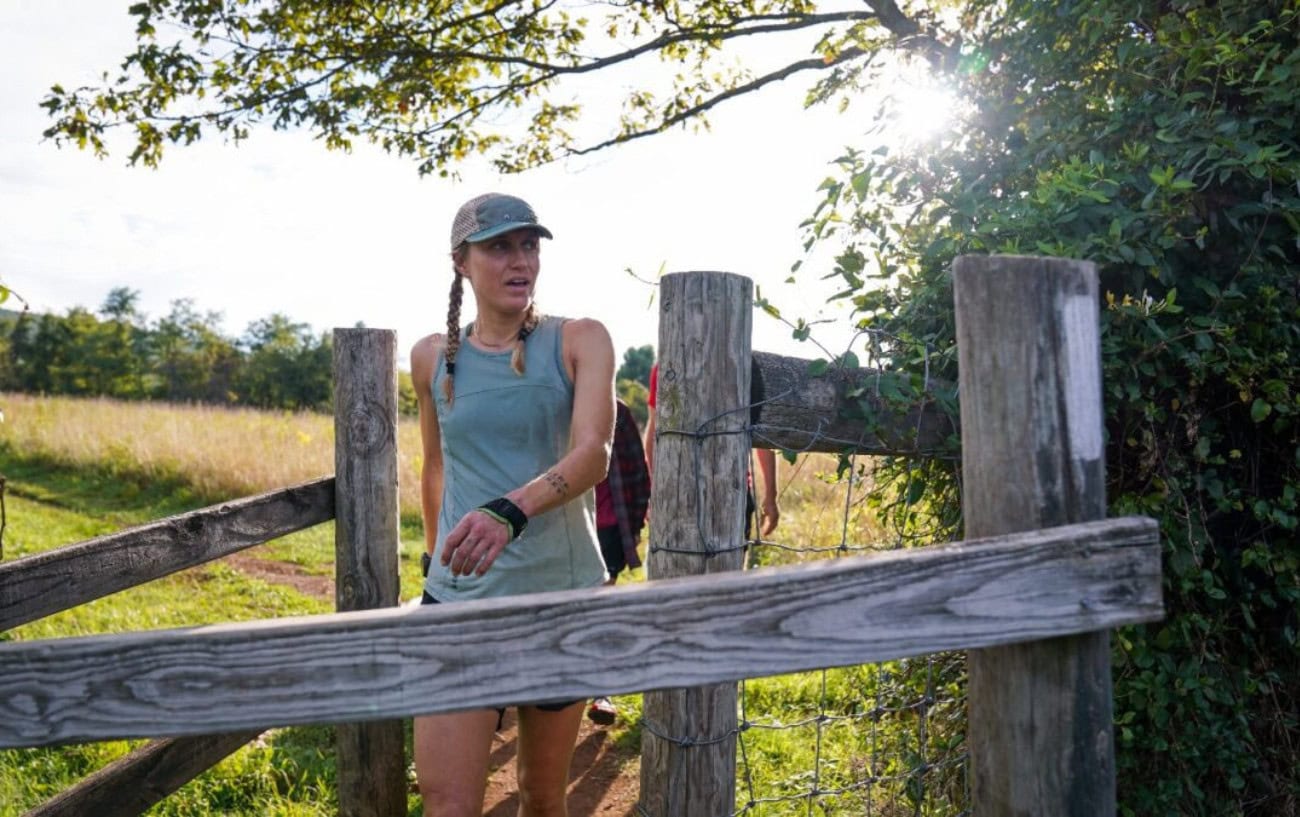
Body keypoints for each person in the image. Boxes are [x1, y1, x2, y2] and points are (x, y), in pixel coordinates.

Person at [410, 192, 615, 817]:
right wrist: (433, 560)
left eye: (529, 244)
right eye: (499, 246)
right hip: (458, 605)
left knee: (541, 797)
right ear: (461, 262)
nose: (519, 259)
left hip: (559, 601)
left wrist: (510, 509)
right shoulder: (432, 358)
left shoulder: (580, 340)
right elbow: (437, 465)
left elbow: (594, 452)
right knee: (447, 805)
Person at [643, 362, 780, 539]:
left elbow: (760, 433)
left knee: (733, 563)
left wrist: (771, 495)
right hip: (680, 491)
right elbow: (656, 431)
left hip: (733, 490)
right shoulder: (668, 365)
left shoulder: (744, 363)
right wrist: (656, 490)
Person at [586, 398, 651, 725]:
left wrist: (637, 523)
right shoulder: (544, 399)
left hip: (608, 526)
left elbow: (637, 471)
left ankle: (601, 691)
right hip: (555, 528)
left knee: (599, 608)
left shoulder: (617, 410)